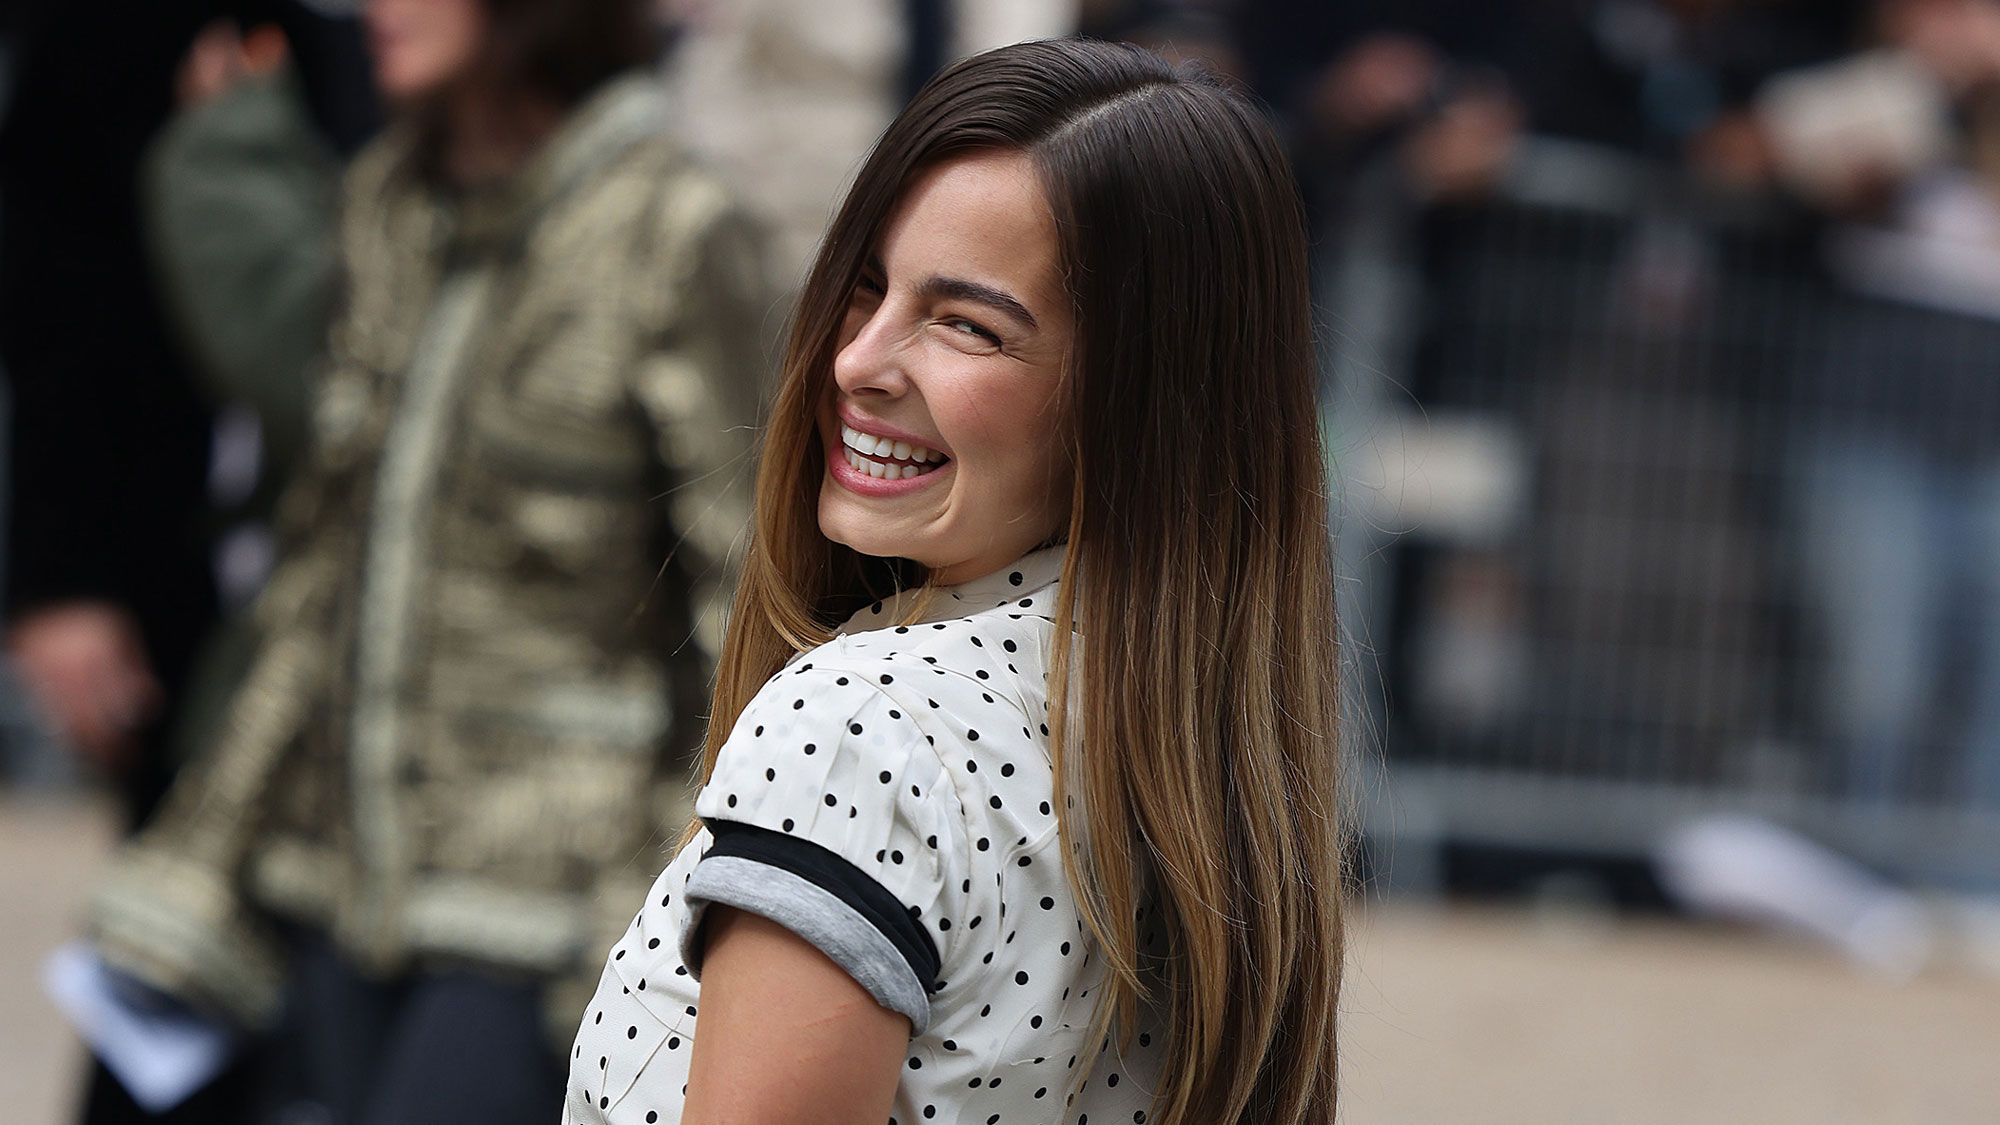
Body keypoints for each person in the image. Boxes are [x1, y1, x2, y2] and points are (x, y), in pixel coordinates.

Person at [563, 38, 1345, 1125]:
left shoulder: (864, 729)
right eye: (866, 287)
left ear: (1142, 407)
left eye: (967, 325)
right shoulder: (1194, 752)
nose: (857, 361)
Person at [84, 0, 767, 1121]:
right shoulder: (386, 203)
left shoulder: (675, 227)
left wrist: (666, 908)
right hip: (335, 875)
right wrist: (211, 846)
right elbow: (319, 568)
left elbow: (745, 604)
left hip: (545, 902)